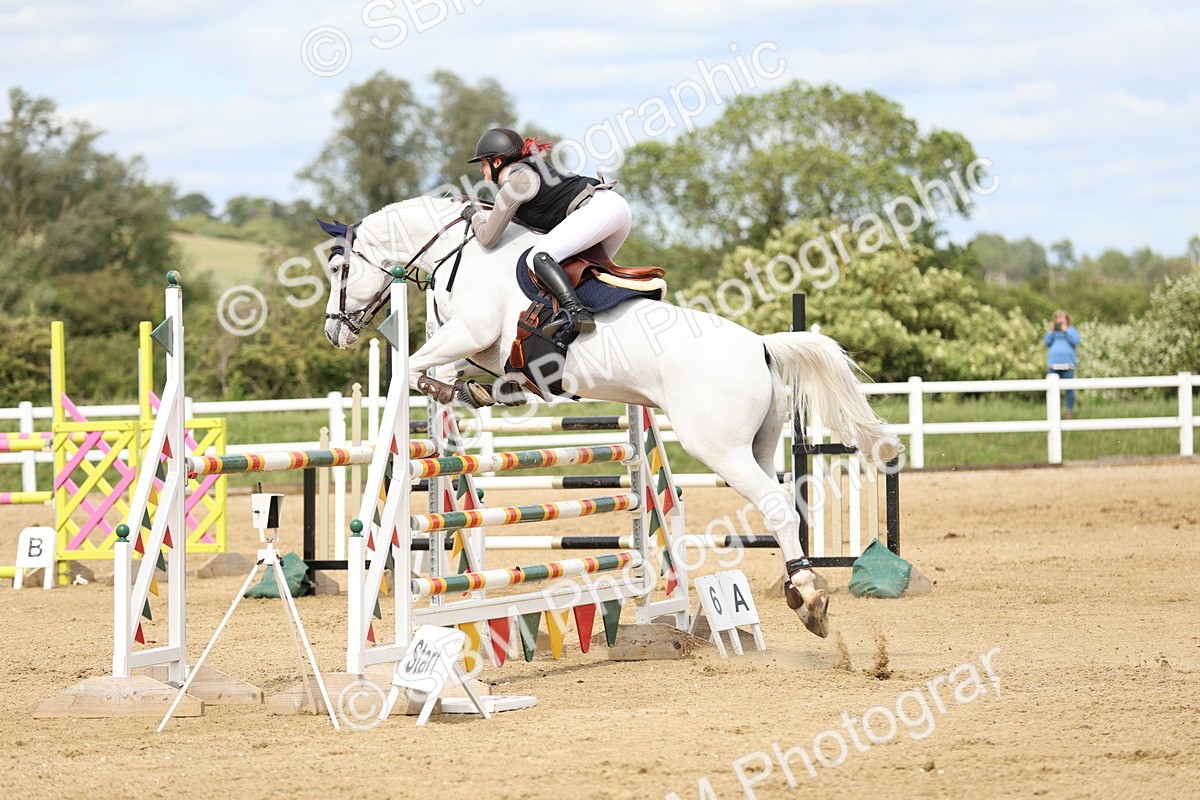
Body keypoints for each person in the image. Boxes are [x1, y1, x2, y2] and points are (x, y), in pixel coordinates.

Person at [459, 128, 632, 337]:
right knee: (579, 273)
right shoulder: (528, 171)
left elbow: (487, 238)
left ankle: (576, 313)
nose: (481, 170)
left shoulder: (516, 181)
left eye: (483, 164)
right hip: (613, 209)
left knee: (538, 258)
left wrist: (474, 215)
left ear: (497, 161)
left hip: (600, 209)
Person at [1043, 309, 1081, 418]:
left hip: (1067, 364)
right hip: (1053, 364)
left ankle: (1069, 411)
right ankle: (1054, 413)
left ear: (1066, 319)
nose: (1060, 319)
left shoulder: (1071, 330)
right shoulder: (1053, 332)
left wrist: (1066, 331)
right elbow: (1046, 342)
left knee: (1069, 389)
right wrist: (1051, 332)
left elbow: (1076, 341)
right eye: (1057, 317)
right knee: (1053, 391)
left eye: (1062, 317)